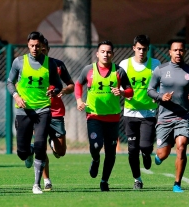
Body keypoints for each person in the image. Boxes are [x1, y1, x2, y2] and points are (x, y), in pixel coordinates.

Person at [7, 31, 62, 194]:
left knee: (40, 145)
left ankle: (37, 184)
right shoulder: (19, 62)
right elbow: (10, 82)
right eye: (32, 45)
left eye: (38, 46)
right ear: (28, 45)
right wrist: (16, 96)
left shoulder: (50, 64)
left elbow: (58, 84)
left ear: (42, 46)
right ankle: (28, 152)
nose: (35, 48)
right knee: (22, 152)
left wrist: (54, 91)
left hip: (43, 110)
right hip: (24, 110)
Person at [75, 40, 133, 191]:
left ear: (112, 54)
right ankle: (95, 159)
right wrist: (79, 100)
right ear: (97, 53)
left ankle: (104, 181)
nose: (105, 54)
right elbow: (78, 84)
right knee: (95, 145)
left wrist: (121, 92)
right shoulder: (89, 69)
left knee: (111, 152)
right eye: (103, 51)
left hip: (112, 118)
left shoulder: (119, 71)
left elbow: (130, 91)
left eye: (108, 52)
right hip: (93, 116)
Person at [148, 39, 189, 193]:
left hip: (183, 117)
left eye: (181, 50)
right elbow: (150, 90)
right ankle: (160, 155)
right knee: (163, 153)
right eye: (175, 50)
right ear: (170, 52)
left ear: (184, 52)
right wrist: (161, 97)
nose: (178, 53)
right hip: (164, 118)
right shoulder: (160, 70)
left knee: (181, 147)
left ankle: (177, 184)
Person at [119, 35, 161, 189]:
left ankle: (147, 153)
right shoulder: (125, 64)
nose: (141, 51)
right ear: (133, 48)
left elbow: (159, 84)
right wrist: (121, 92)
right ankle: (137, 179)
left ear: (148, 49)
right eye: (139, 49)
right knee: (132, 150)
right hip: (130, 113)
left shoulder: (155, 64)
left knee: (144, 146)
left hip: (148, 113)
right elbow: (122, 85)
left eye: (144, 49)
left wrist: (159, 96)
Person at [40, 38, 74, 191]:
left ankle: (54, 143)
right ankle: (46, 180)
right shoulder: (27, 66)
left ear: (48, 49)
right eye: (36, 47)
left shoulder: (58, 64)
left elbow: (71, 85)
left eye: (43, 49)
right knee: (40, 148)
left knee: (61, 152)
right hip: (38, 110)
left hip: (56, 111)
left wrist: (65, 90)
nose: (39, 51)